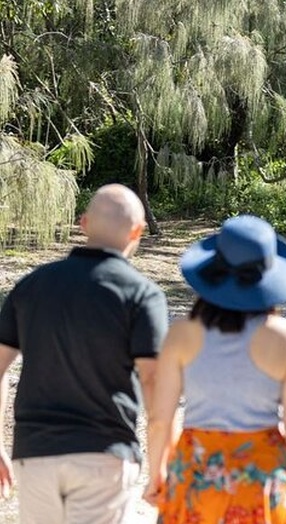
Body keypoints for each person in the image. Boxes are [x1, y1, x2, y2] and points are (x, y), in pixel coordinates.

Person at [0, 183, 169, 523]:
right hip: (104, 453)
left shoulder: (32, 286)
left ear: (83, 223)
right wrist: (159, 466)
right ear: (137, 231)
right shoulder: (142, 295)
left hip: (34, 454)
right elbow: (153, 381)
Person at [143, 214, 286, 524]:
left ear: (213, 272)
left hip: (195, 475)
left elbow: (159, 421)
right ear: (268, 275)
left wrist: (156, 475)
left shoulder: (181, 334)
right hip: (261, 478)